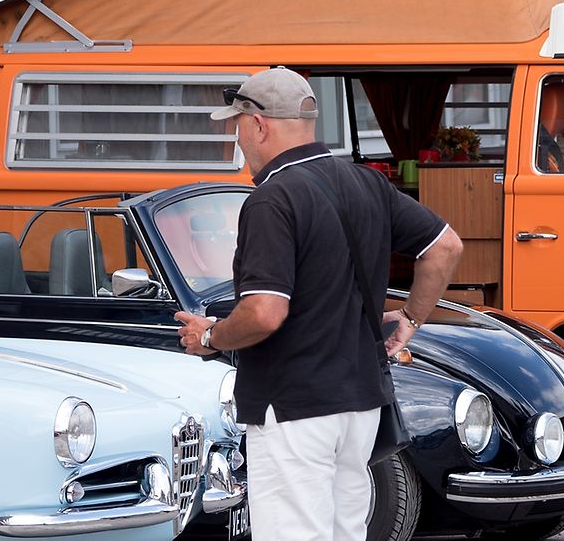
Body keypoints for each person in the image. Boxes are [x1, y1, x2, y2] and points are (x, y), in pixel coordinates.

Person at [175, 67, 460, 541]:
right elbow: (445, 246)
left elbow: (265, 311)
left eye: (238, 125)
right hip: (363, 402)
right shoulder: (366, 183)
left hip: (294, 404)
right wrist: (411, 318)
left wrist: (210, 335)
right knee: (346, 531)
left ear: (259, 124)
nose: (238, 138)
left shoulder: (272, 199)